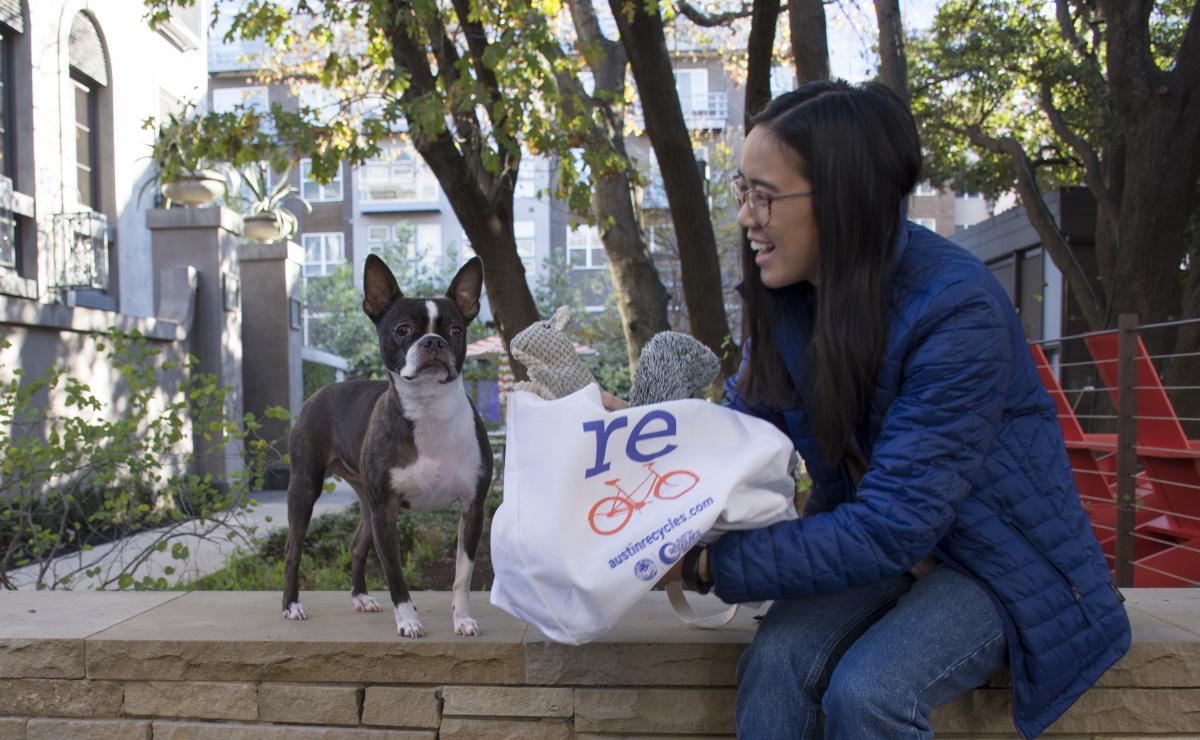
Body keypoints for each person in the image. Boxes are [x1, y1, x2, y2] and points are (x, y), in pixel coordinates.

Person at [645, 80, 1130, 739]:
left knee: (869, 692)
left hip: (997, 560)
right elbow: (742, 440)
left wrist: (704, 567)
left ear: (842, 196)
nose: (746, 217)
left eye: (765, 195)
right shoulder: (792, 300)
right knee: (776, 663)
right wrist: (635, 440)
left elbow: (891, 527)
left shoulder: (957, 310)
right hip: (888, 549)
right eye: (741, 192)